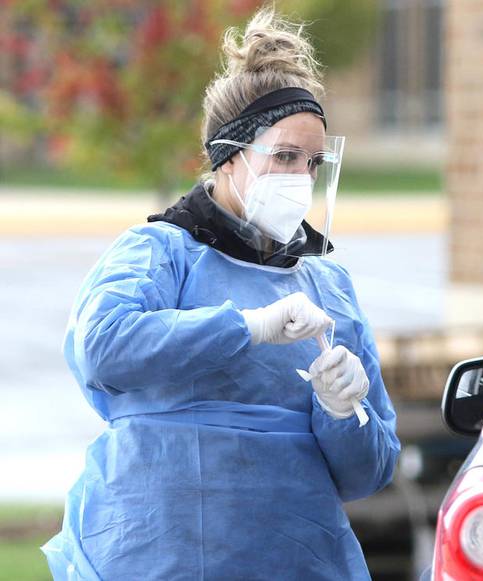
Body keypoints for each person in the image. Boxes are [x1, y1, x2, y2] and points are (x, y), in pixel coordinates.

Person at [42, 7, 400, 580]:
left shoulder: (326, 287)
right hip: (150, 557)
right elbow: (102, 347)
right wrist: (247, 327)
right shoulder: (160, 253)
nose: (301, 179)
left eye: (313, 163)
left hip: (292, 562)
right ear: (230, 156)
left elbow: (369, 474)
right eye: (284, 157)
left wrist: (344, 412)